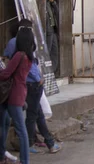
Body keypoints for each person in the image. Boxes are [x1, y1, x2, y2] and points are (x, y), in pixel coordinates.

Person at [8, 24, 61, 156]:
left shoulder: (20, 54)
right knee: (33, 117)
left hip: (31, 88)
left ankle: (48, 143)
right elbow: (32, 73)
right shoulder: (25, 56)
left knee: (38, 116)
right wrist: (39, 79)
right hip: (32, 87)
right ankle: (33, 144)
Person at [0, 27, 34, 163]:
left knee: (21, 130)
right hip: (19, 94)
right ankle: (2, 154)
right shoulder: (29, 57)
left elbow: (6, 73)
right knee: (4, 123)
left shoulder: (19, 55)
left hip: (12, 95)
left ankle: (25, 160)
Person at [45, 0, 60, 74]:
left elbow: (58, 12)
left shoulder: (50, 2)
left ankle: (53, 70)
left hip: (53, 29)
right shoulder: (43, 2)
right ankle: (46, 71)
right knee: (48, 51)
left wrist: (53, 2)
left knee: (54, 51)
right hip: (48, 30)